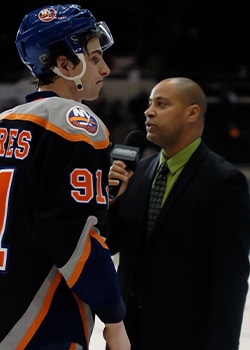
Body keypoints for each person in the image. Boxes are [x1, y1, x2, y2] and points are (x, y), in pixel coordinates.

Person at [0, 4, 131, 350]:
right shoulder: (76, 123)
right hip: (43, 323)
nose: (104, 68)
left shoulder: (5, 121)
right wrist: (114, 318)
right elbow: (74, 237)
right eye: (95, 56)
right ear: (64, 64)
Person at [107, 77, 250, 350]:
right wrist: (111, 204)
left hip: (185, 337)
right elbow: (112, 244)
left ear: (192, 113)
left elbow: (230, 282)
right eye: (149, 104)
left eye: (161, 104)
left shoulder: (223, 181)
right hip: (127, 335)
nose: (149, 112)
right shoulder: (136, 174)